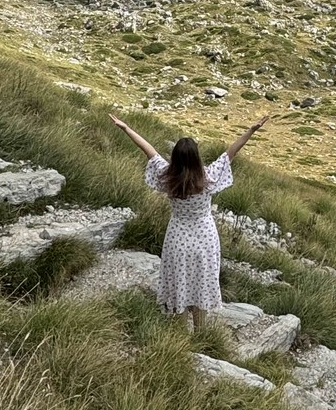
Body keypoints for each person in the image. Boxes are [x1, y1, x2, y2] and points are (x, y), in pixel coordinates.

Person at [109, 113, 269, 329]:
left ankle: (180, 332)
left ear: (175, 157)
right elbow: (231, 152)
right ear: (196, 158)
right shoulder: (208, 177)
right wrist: (251, 130)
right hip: (205, 236)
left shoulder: (168, 176)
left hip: (178, 237)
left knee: (180, 280)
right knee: (202, 280)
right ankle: (201, 331)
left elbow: (148, 150)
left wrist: (126, 128)